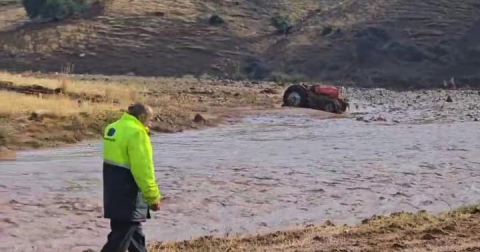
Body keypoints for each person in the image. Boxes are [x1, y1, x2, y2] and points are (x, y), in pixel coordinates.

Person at [100, 103, 161, 252]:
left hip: (112, 191)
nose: (150, 123)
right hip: (129, 194)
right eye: (150, 119)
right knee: (121, 236)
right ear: (141, 117)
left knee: (134, 234)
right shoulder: (137, 133)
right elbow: (143, 170)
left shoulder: (113, 128)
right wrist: (153, 197)